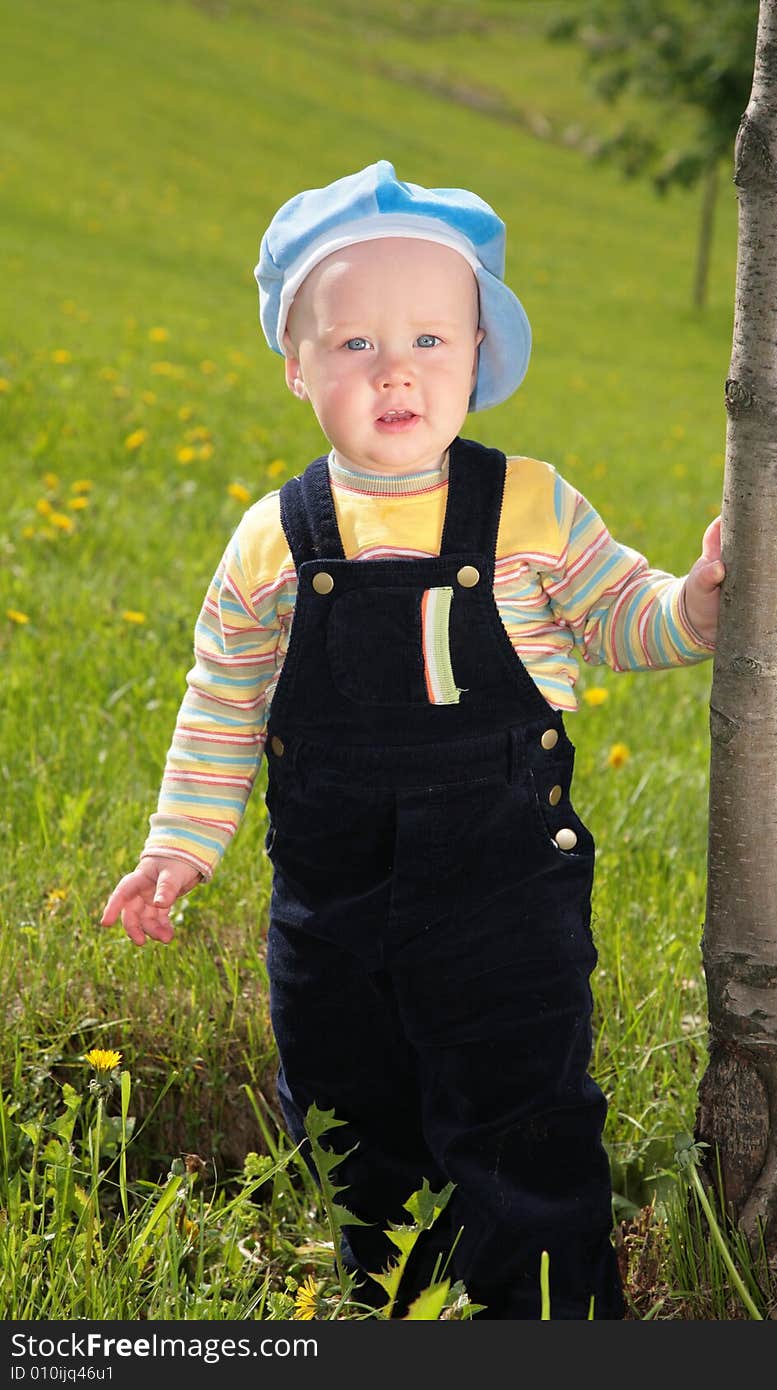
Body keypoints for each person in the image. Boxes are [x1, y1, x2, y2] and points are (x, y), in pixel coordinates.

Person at [101, 160, 724, 1320]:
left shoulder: (531, 506)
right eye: (353, 345)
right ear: (296, 366)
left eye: (431, 339)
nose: (395, 367)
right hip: (332, 905)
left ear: (478, 355)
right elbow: (225, 698)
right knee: (349, 1111)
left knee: (519, 1117)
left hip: (501, 894)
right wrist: (179, 845)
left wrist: (693, 606)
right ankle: (404, 1303)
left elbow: (619, 615)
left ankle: (547, 1312)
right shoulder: (271, 541)